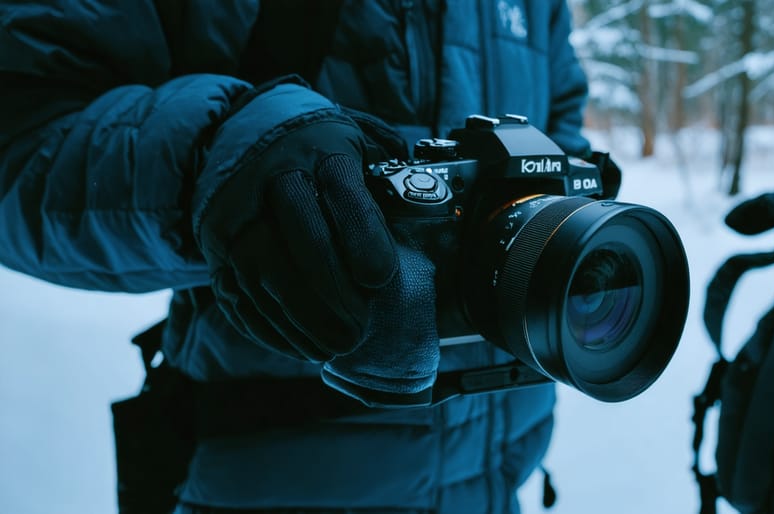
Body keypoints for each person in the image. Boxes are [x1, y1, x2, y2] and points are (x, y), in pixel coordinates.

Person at [0, 1, 594, 512]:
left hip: (498, 474)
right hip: (266, 469)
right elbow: (22, 134)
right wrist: (221, 164)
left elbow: (566, 156)